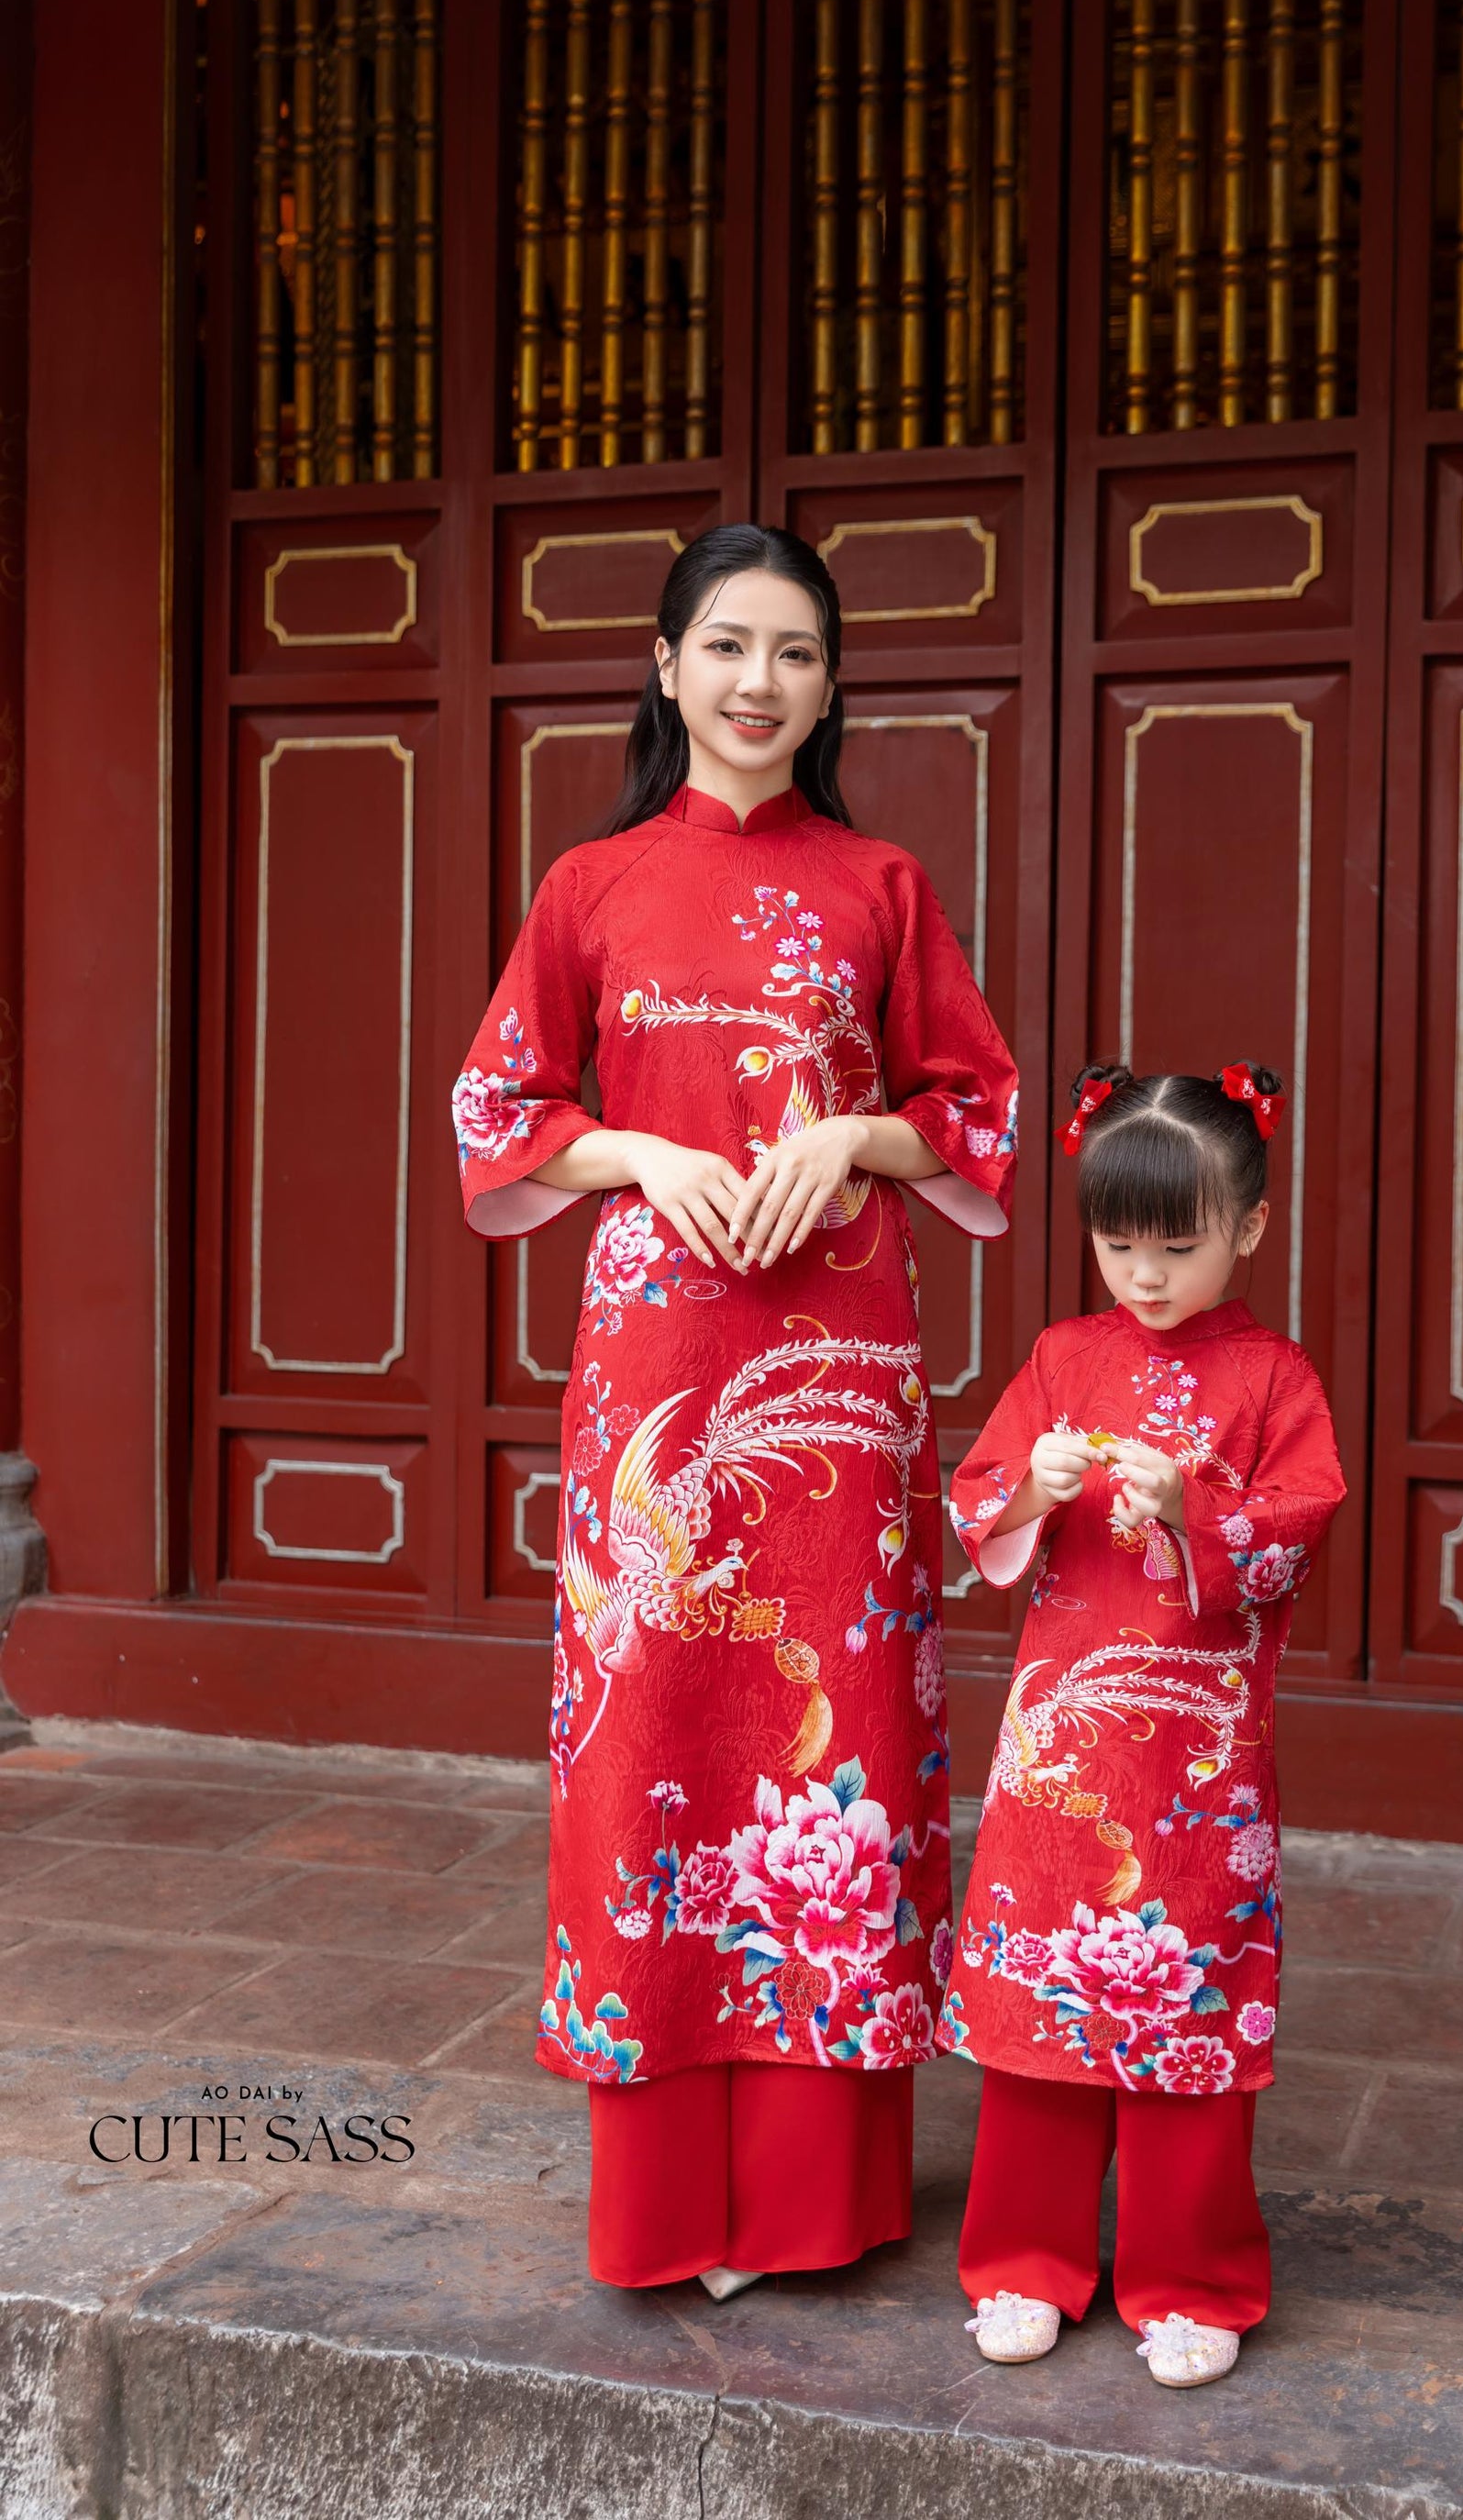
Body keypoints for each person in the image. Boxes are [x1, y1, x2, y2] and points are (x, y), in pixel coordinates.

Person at [451, 525, 1017, 2300]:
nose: (759, 683)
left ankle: (812, 2195)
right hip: (654, 1355)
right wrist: (634, 1152)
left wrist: (854, 1136)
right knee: (656, 1723)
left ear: (831, 685)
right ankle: (667, 2196)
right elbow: (497, 1111)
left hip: (839, 1379)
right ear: (666, 666)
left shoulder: (881, 886)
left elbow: (978, 1116)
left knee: (828, 1719)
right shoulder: (593, 882)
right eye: (726, 647)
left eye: (793, 653)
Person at [941, 1062, 1343, 2387]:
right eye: (1119, 1245)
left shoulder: (1274, 1378)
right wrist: (1027, 1488)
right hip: (1060, 1737)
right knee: (1040, 2004)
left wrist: (1188, 1508)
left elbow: (1294, 1528)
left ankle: (1193, 2279)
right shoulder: (1063, 1358)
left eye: (1177, 1246)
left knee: (1186, 2001)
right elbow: (976, 1503)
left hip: (1198, 1757)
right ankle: (1022, 2262)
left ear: (1250, 1229)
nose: (1146, 1277)